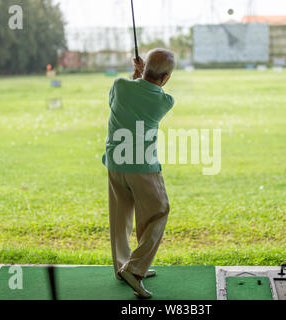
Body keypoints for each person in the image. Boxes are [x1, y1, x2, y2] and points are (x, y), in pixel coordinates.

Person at [102, 48, 176, 298]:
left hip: (115, 163)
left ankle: (123, 265)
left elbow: (121, 100)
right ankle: (134, 269)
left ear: (143, 69)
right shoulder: (165, 101)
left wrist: (136, 77)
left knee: (120, 217)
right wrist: (143, 77)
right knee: (158, 212)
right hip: (142, 167)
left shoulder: (120, 86)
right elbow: (149, 94)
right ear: (165, 78)